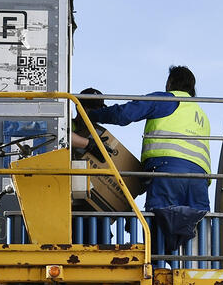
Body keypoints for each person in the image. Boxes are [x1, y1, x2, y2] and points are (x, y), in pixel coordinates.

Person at [85, 66, 210, 267]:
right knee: (187, 231)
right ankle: (184, 272)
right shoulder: (201, 115)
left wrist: (93, 115)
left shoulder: (167, 100)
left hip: (169, 171)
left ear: (170, 83)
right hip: (199, 181)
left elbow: (124, 114)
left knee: (160, 222)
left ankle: (156, 271)